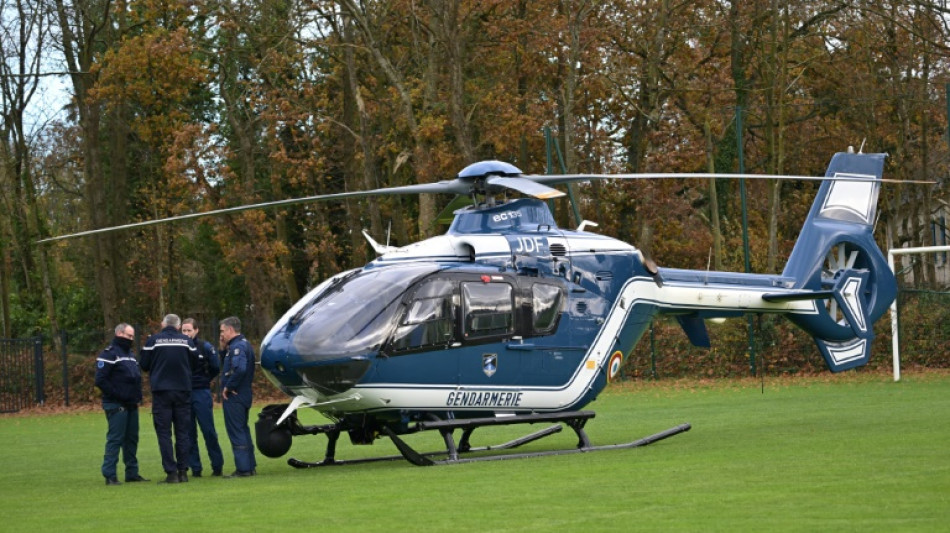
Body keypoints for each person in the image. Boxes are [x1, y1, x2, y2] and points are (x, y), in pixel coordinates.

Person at [139, 314, 198, 484]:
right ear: (179, 327)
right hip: (183, 391)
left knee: (164, 433)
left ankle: (171, 473)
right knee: (183, 432)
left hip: (161, 391)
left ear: (163, 324)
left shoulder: (153, 341)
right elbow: (195, 363)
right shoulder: (187, 342)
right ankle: (183, 471)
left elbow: (143, 364)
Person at [95, 323, 149, 485]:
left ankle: (132, 472)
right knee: (115, 439)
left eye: (132, 336)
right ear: (119, 333)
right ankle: (109, 474)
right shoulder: (109, 354)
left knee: (131, 439)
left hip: (131, 404)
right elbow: (100, 380)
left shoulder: (130, 354)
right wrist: (118, 395)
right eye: (128, 336)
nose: (131, 339)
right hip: (116, 404)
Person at [181, 318, 224, 477]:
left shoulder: (205, 347)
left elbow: (215, 367)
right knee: (189, 433)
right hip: (184, 393)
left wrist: (205, 380)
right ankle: (195, 468)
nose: (186, 333)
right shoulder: (179, 348)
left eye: (189, 330)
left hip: (201, 392)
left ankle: (217, 465)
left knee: (208, 430)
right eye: (184, 330)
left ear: (196, 330)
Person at [219, 316, 257, 477]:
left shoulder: (238, 347)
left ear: (230, 329)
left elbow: (240, 369)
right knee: (243, 429)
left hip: (235, 396)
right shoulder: (242, 344)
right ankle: (249, 466)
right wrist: (222, 349)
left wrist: (229, 386)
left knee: (236, 431)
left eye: (222, 331)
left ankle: (243, 468)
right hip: (244, 394)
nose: (221, 334)